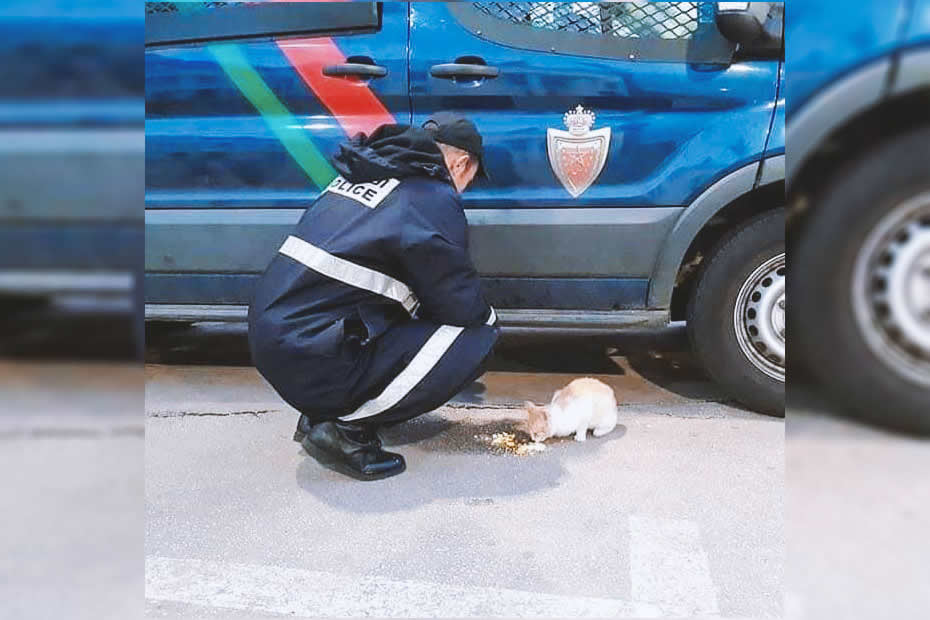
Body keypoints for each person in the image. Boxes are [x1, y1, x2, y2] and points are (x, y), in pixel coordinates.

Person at [248, 112, 499, 481]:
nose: (465, 189)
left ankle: (322, 411)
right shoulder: (432, 197)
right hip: (310, 351)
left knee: (404, 308)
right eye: (471, 179)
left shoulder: (362, 174)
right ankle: (344, 429)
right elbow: (459, 305)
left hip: (276, 339)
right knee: (479, 333)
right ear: (461, 164)